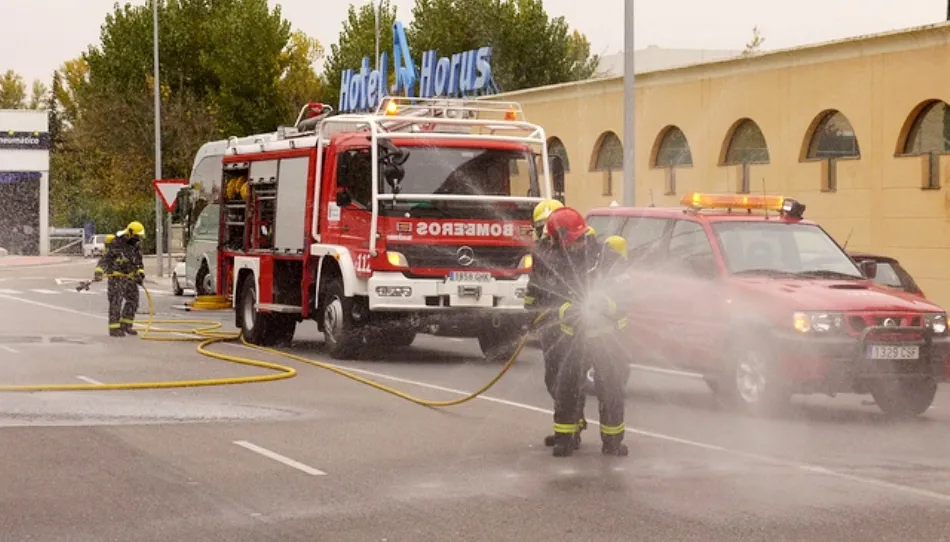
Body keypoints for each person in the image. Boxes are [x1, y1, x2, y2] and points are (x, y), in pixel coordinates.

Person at [543, 207, 629, 457]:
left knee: (612, 388)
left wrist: (607, 304)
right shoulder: (553, 260)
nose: (577, 245)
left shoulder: (605, 256)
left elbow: (626, 292)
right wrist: (565, 312)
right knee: (566, 387)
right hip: (572, 339)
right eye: (572, 242)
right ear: (558, 241)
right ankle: (565, 439)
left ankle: (613, 442)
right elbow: (547, 298)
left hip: (607, 338)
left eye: (579, 239)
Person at [525, 199, 590, 449]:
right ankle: (570, 425)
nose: (543, 232)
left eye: (545, 226)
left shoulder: (580, 249)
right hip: (550, 325)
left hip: (575, 328)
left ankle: (569, 432)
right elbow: (535, 287)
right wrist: (530, 314)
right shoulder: (542, 251)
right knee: (553, 377)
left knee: (569, 379)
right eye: (540, 227)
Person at [94, 221, 146, 337]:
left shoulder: (136, 245)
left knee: (133, 300)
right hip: (116, 278)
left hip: (130, 278)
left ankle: (126, 325)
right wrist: (99, 272)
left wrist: (140, 274)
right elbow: (106, 259)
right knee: (116, 302)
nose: (138, 239)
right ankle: (114, 328)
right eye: (137, 236)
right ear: (130, 233)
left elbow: (139, 262)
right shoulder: (116, 243)